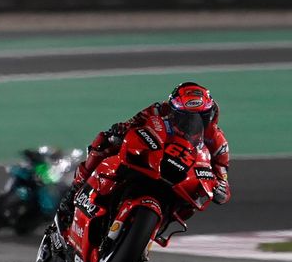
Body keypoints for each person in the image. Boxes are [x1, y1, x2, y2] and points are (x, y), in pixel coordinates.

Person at [57, 82, 230, 226]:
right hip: (154, 158)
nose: (192, 123)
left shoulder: (217, 141)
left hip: (182, 177)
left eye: (200, 118)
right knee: (106, 140)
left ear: (209, 116)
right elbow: (131, 124)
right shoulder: (159, 110)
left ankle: (150, 231)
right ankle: (75, 189)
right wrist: (120, 130)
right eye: (185, 117)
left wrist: (221, 189)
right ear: (173, 111)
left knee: (191, 205)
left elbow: (222, 177)